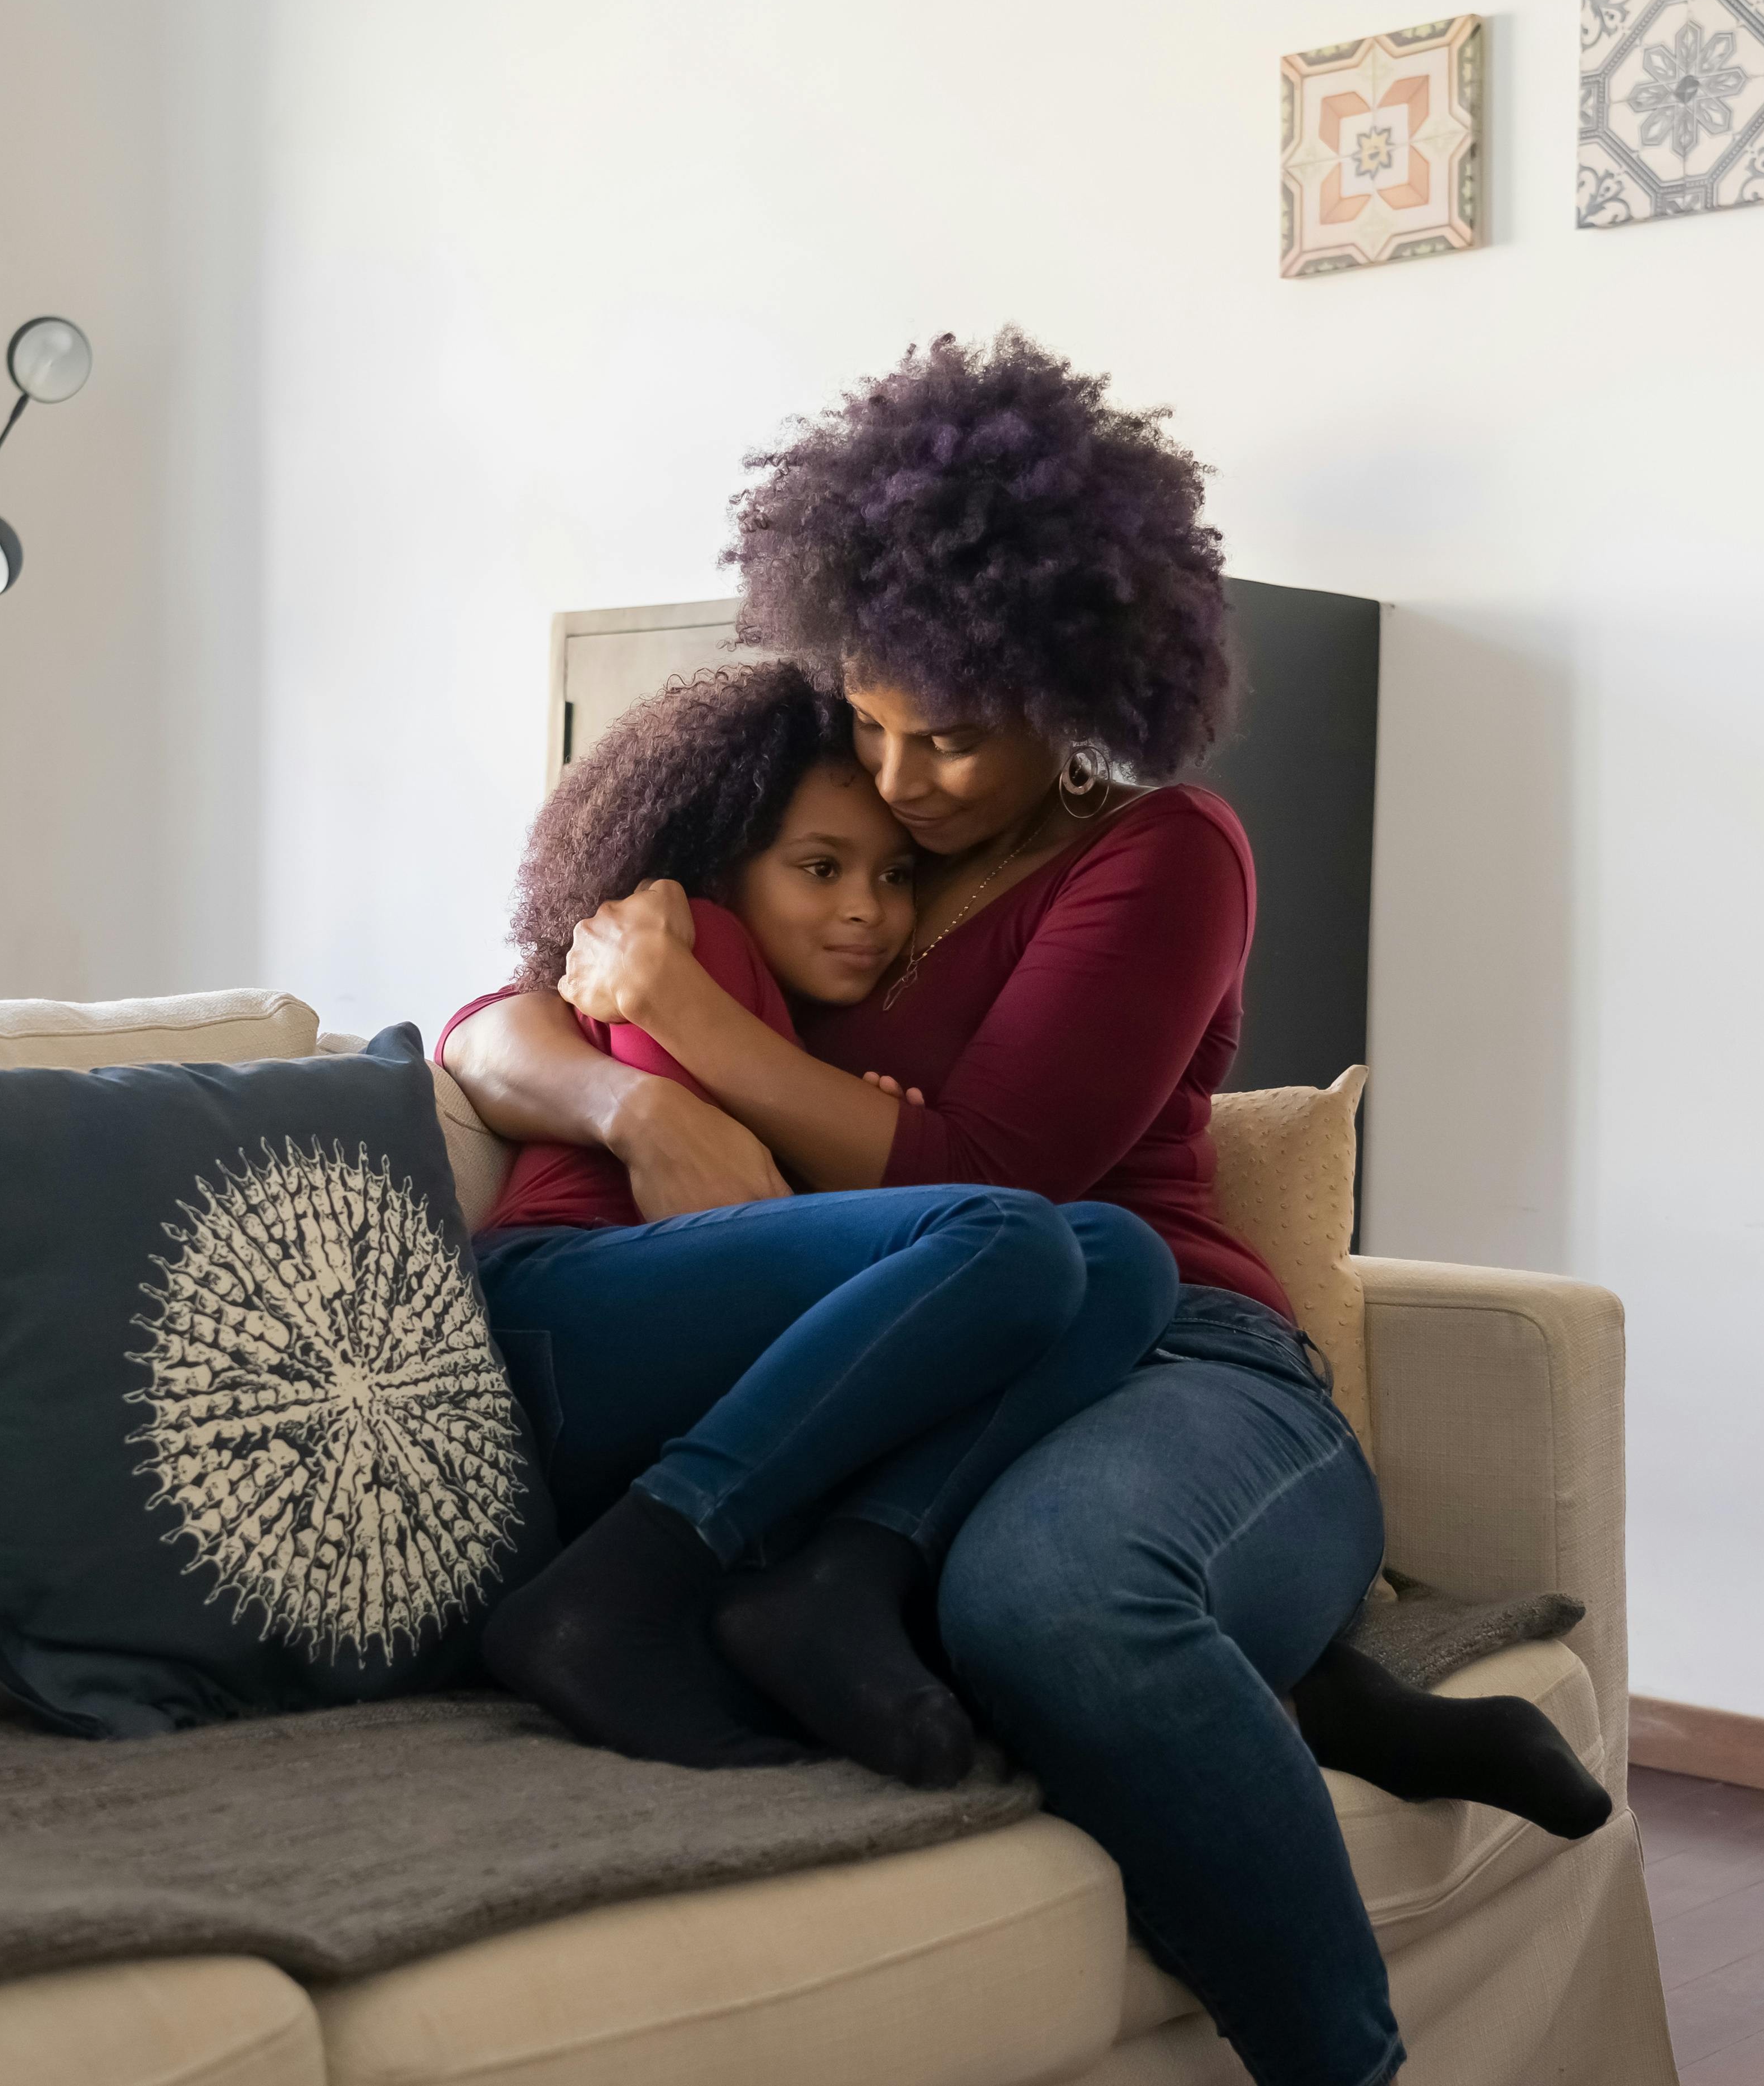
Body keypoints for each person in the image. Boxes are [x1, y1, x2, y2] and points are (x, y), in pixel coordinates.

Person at [444, 330, 1607, 2086]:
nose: (904, 785)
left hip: (1177, 1352)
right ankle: (1320, 1692)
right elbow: (491, 1015)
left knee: (1061, 1599)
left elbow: (1000, 1178)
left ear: (1075, 697)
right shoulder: (812, 834)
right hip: (914, 1365)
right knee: (926, 1558)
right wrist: (630, 1072)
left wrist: (683, 1031)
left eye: (956, 742)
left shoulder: (1166, 854)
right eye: (873, 721)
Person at [451, 660, 1180, 1787]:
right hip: (558, 1314)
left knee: (1120, 1255)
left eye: (894, 877)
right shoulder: (681, 938)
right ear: (719, 859)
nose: (865, 910)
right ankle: (608, 1599)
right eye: (818, 867)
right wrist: (889, 1209)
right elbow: (712, 1201)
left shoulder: (801, 1024)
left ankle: (835, 1583)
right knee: (1015, 1239)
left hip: (654, 1344)